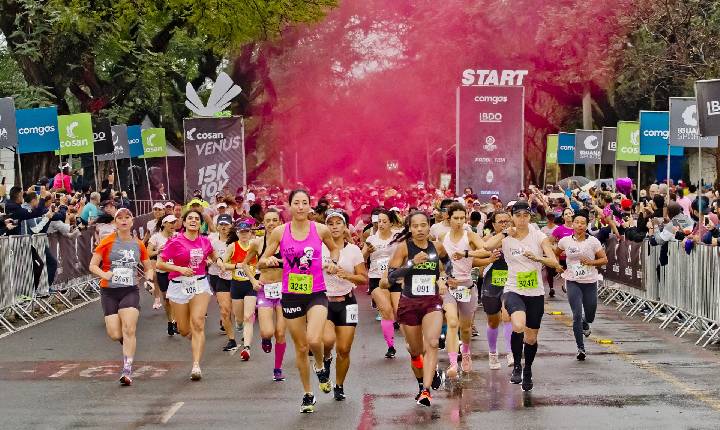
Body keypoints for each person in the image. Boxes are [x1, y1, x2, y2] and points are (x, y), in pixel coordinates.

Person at [259, 189, 339, 414]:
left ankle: (321, 367)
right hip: (292, 293)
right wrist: (270, 260)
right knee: (301, 347)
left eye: (305, 202)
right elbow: (263, 258)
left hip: (316, 292)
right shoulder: (279, 232)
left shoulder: (320, 229)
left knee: (315, 339)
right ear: (290, 206)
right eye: (297, 203)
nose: (301, 207)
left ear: (310, 206)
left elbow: (334, 249)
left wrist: (333, 262)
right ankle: (308, 394)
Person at [484, 200, 562, 392]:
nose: (521, 219)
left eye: (525, 215)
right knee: (517, 324)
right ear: (512, 217)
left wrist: (538, 258)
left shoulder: (538, 236)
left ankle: (527, 370)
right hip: (513, 289)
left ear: (530, 217)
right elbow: (487, 246)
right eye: (517, 216)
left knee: (532, 339)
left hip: (535, 291)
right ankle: (517, 365)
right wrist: (503, 233)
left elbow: (553, 261)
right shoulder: (506, 236)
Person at [388, 211, 448, 407]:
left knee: (432, 343)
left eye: (424, 225)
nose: (420, 229)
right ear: (410, 228)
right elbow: (391, 276)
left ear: (429, 226)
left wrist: (444, 279)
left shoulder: (437, 246)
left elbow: (448, 265)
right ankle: (423, 380)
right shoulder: (403, 248)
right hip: (409, 303)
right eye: (416, 226)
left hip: (431, 301)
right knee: (416, 352)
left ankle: (426, 391)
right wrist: (412, 264)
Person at [88, 207, 154, 386]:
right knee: (114, 333)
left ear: (132, 222)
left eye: (127, 217)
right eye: (120, 218)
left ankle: (127, 369)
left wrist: (149, 279)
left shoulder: (138, 244)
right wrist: (104, 274)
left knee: (129, 328)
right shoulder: (107, 242)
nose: (124, 220)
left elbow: (148, 266)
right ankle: (128, 345)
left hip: (130, 290)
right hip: (109, 290)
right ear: (115, 223)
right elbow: (92, 265)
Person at [157, 209, 222, 380]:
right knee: (184, 329)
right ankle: (196, 341)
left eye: (196, 219)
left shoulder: (205, 241)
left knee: (198, 323)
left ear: (200, 223)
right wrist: (179, 269)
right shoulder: (175, 241)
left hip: (199, 283)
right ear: (184, 223)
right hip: (179, 285)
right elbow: (160, 263)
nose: (193, 221)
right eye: (190, 218)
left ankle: (196, 365)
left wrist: (219, 261)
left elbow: (212, 254)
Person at [321, 210, 367, 401]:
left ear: (345, 226)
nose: (334, 227)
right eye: (330, 223)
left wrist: (346, 275)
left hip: (348, 302)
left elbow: (363, 279)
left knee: (344, 349)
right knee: (327, 341)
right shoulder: (319, 248)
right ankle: (325, 358)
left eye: (338, 223)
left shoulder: (354, 250)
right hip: (323, 301)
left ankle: (339, 385)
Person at [440, 202, 489, 377]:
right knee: (452, 323)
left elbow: (485, 252)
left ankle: (466, 353)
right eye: (456, 218)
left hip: (467, 286)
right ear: (449, 218)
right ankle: (453, 363)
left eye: (462, 218)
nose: (459, 221)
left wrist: (467, 254)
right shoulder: (443, 237)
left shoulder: (469, 236)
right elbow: (439, 262)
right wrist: (442, 279)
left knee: (466, 329)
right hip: (449, 288)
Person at [556, 211, 608, 360]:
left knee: (590, 315)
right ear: (572, 224)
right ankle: (581, 348)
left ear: (586, 226)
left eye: (582, 223)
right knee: (577, 315)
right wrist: (557, 266)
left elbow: (604, 259)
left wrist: (591, 262)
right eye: (577, 222)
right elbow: (556, 252)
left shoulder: (593, 242)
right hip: (573, 281)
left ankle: (586, 323)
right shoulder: (565, 241)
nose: (579, 225)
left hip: (590, 281)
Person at [244, 208, 288, 381]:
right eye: (268, 220)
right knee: (267, 332)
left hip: (284, 290)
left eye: (274, 220)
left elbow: (294, 262)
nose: (271, 224)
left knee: (281, 333)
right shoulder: (257, 243)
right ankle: (265, 339)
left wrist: (279, 261)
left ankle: (277, 368)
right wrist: (253, 281)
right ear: (264, 223)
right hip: (265, 290)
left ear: (280, 223)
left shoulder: (286, 242)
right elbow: (245, 264)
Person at [476, 211, 514, 368]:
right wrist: (488, 260)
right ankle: (492, 354)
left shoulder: (515, 239)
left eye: (507, 221)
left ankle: (511, 353)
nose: (504, 224)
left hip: (511, 282)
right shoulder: (487, 240)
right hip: (492, 283)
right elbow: (476, 262)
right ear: (493, 224)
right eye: (500, 221)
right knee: (493, 321)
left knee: (508, 316)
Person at [362, 209, 401, 358]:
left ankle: (412, 343)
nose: (382, 224)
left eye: (385, 221)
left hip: (394, 278)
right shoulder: (372, 239)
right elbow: (360, 258)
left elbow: (404, 256)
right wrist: (367, 252)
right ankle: (390, 346)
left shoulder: (397, 238)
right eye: (379, 222)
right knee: (386, 311)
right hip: (376, 278)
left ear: (391, 222)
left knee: (399, 311)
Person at [221, 219, 257, 361]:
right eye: (241, 232)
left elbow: (262, 261)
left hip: (251, 284)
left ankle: (247, 347)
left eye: (246, 232)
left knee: (249, 316)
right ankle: (239, 324)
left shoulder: (255, 246)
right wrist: (238, 266)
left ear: (250, 233)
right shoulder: (233, 246)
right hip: (236, 285)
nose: (244, 234)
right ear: (237, 233)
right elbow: (223, 264)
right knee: (240, 318)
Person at [208, 214, 237, 351]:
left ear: (231, 225)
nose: (224, 227)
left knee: (236, 311)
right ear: (217, 226)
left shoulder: (238, 240)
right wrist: (210, 261)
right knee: (225, 310)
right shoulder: (212, 242)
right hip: (219, 278)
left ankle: (236, 324)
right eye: (221, 224)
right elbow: (207, 256)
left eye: (227, 224)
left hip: (238, 278)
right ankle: (232, 340)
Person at [147, 214, 178, 336]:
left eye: (174, 222)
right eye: (170, 222)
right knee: (166, 299)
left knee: (174, 298)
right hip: (162, 272)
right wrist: (158, 251)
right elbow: (148, 253)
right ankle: (170, 322)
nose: (172, 225)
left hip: (175, 270)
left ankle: (175, 322)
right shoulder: (156, 237)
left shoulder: (177, 236)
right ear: (164, 224)